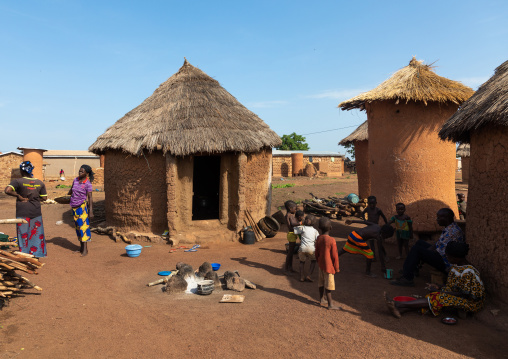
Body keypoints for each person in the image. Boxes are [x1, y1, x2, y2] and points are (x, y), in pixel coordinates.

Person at [384, 241, 484, 318]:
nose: (446, 257)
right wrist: (439, 287)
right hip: (458, 295)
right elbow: (452, 287)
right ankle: (400, 310)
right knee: (432, 296)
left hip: (471, 303)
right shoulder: (456, 267)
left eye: (448, 256)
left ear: (455, 258)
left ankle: (398, 304)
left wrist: (439, 291)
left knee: (439, 297)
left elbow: (464, 294)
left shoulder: (468, 272)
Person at [391, 208, 464, 287]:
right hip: (444, 256)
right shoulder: (450, 227)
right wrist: (429, 249)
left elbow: (441, 252)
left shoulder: (452, 232)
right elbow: (440, 244)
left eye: (439, 217)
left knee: (417, 250)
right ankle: (413, 269)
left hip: (447, 263)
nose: (437, 219)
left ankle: (407, 278)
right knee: (420, 243)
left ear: (447, 218)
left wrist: (427, 251)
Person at [4, 161, 48, 257]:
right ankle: (36, 255)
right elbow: (44, 198)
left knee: (23, 234)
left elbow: (7, 190)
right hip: (36, 212)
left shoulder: (18, 182)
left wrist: (19, 196)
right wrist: (35, 198)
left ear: (21, 170)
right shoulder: (40, 182)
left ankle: (24, 255)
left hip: (22, 212)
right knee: (37, 234)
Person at [314, 217, 340, 310]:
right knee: (328, 285)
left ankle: (321, 299)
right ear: (331, 228)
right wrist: (336, 268)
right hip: (329, 267)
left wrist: (318, 261)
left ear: (319, 228)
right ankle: (330, 304)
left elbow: (316, 252)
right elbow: (335, 256)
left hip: (321, 264)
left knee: (321, 283)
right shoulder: (331, 240)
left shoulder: (319, 238)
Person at [68, 165, 94, 256]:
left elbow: (90, 198)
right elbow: (71, 190)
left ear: (86, 173)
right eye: (79, 171)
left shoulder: (87, 184)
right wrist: (67, 195)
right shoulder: (75, 180)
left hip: (81, 207)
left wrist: (90, 211)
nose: (79, 173)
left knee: (83, 228)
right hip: (74, 207)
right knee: (78, 228)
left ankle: (85, 250)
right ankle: (81, 248)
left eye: (82, 171)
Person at [293, 215, 319, 282]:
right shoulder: (315, 231)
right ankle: (309, 275)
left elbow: (295, 231)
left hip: (302, 248)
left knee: (302, 262)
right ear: (314, 222)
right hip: (311, 249)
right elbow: (318, 239)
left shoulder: (302, 228)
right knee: (313, 261)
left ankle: (302, 276)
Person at [362, 196, 388, 260]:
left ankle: (385, 255)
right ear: (368, 203)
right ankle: (373, 256)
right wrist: (365, 220)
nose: (372, 205)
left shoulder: (378, 210)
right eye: (370, 203)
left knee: (379, 243)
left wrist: (387, 225)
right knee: (371, 243)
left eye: (373, 203)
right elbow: (362, 213)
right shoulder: (367, 209)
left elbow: (384, 217)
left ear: (376, 203)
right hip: (370, 228)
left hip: (376, 228)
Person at [284, 200, 299, 274]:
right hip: (291, 234)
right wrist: (300, 223)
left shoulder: (290, 215)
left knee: (291, 252)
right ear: (290, 208)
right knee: (290, 252)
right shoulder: (289, 215)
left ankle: (290, 267)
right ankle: (286, 268)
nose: (295, 210)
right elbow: (293, 224)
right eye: (295, 208)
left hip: (292, 234)